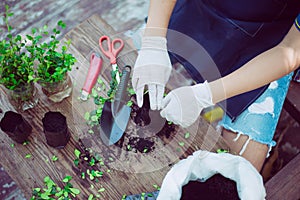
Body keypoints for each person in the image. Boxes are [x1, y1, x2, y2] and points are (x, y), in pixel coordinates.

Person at [132, 0, 300, 172]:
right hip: (198, 10)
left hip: (267, 44)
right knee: (126, 69)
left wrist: (206, 95)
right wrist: (153, 42)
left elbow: (291, 50)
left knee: (239, 169)